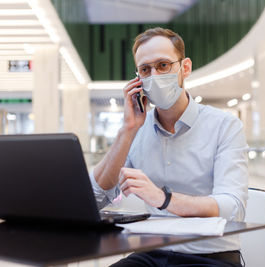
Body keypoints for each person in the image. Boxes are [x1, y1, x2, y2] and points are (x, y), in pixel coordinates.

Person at [89, 27, 249, 267]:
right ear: (137, 79)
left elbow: (231, 207)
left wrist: (163, 199)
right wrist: (127, 130)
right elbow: (97, 198)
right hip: (151, 253)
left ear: (184, 68)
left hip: (209, 255)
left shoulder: (225, 126)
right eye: (145, 69)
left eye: (163, 65)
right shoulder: (136, 132)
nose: (154, 75)